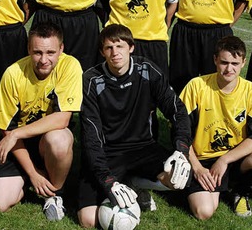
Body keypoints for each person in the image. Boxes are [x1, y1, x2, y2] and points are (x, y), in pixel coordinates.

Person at [79, 24, 192, 228]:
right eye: (109, 48)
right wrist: (107, 180)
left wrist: (181, 150)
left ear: (131, 47)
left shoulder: (147, 70)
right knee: (88, 220)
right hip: (108, 153)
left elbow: (178, 110)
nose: (115, 53)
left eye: (120, 46)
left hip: (143, 148)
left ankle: (135, 183)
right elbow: (91, 137)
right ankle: (124, 182)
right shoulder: (91, 80)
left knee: (180, 176)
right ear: (102, 52)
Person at [0, 22, 82, 221]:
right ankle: (32, 179)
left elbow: (63, 118)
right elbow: (7, 129)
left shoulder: (70, 66)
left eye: (50, 52)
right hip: (19, 146)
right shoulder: (13, 74)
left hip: (48, 139)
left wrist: (16, 133)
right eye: (37, 52)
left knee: (59, 139)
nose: (44, 60)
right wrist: (32, 173)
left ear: (61, 49)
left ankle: (55, 194)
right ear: (28, 48)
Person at [180, 35, 252, 220]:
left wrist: (224, 160)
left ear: (243, 62)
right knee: (204, 212)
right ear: (215, 59)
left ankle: (239, 191)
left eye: (235, 63)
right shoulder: (197, 86)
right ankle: (210, 187)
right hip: (204, 161)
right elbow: (179, 133)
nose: (229, 68)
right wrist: (197, 168)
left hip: (237, 158)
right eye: (224, 62)